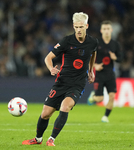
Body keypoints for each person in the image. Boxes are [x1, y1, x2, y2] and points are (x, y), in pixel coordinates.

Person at [22, 12, 98, 146]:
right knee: (45, 114)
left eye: (81, 27)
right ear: (73, 26)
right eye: (76, 27)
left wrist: (91, 70)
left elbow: (93, 53)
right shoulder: (66, 41)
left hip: (77, 84)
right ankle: (38, 139)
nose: (78, 30)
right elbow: (48, 58)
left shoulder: (93, 42)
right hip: (61, 82)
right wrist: (51, 68)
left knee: (65, 106)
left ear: (86, 26)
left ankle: (51, 139)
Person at [87, 20, 122, 123]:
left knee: (112, 96)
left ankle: (105, 117)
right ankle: (93, 96)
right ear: (101, 30)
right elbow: (88, 57)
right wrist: (95, 66)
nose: (106, 31)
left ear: (111, 30)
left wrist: (115, 57)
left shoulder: (115, 44)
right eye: (104, 29)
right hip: (100, 74)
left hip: (110, 73)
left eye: (108, 29)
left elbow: (120, 58)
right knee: (100, 99)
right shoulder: (96, 43)